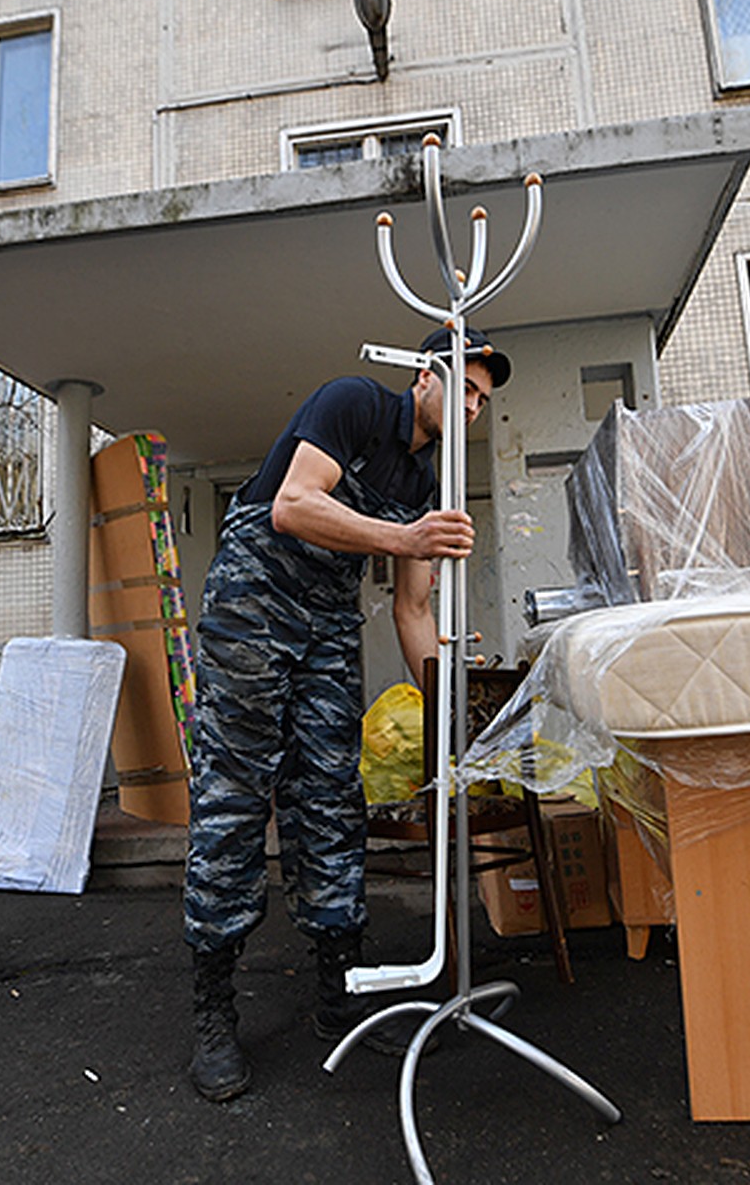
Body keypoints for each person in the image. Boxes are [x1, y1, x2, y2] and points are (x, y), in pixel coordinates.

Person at [183, 326, 512, 1101]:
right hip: (252, 604)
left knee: (331, 799)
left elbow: (410, 608)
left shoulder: (426, 483)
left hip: (329, 620)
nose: (469, 407)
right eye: (462, 387)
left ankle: (340, 1000)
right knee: (234, 799)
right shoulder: (354, 403)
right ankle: (213, 1012)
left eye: (482, 400)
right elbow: (294, 506)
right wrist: (404, 533)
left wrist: (451, 717)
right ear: (425, 377)